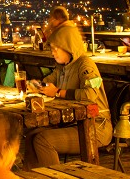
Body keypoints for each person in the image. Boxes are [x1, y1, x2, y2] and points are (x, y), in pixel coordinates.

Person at [23, 23, 112, 169]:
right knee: (31, 136)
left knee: (43, 140)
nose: (53, 53)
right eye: (52, 49)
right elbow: (48, 83)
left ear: (69, 46)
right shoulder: (63, 67)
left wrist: (58, 92)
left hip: (96, 126)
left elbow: (90, 94)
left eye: (56, 48)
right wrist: (37, 86)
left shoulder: (86, 65)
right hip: (73, 123)